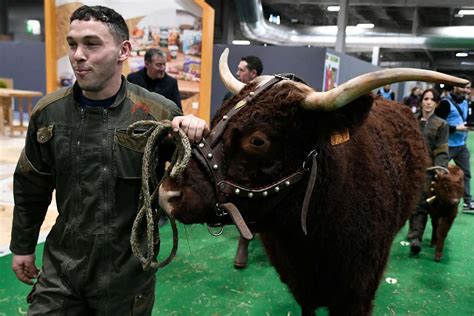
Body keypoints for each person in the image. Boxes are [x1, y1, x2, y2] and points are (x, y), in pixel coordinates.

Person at [9, 5, 208, 315]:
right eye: (72, 44)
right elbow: (31, 185)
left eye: (92, 43)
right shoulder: (49, 113)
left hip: (127, 274)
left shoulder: (158, 114)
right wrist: (22, 245)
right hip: (62, 269)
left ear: (123, 50)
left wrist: (196, 138)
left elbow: (196, 185)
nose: (77, 54)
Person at [407, 89, 449, 255]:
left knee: (421, 203)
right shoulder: (412, 120)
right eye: (426, 99)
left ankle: (416, 237)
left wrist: (440, 168)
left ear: (437, 103)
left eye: (432, 99)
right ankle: (413, 232)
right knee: (410, 202)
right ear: (421, 101)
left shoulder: (441, 124)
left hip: (428, 170)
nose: (429, 102)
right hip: (410, 168)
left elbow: (442, 149)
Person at [435, 76, 474, 213]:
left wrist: (469, 126)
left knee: (466, 174)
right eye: (463, 86)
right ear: (455, 86)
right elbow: (436, 125)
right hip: (446, 145)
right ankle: (434, 200)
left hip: (461, 145)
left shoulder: (466, 102)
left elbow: (466, 119)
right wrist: (456, 128)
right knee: (439, 174)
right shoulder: (445, 103)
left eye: (468, 87)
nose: (466, 90)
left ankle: (468, 202)